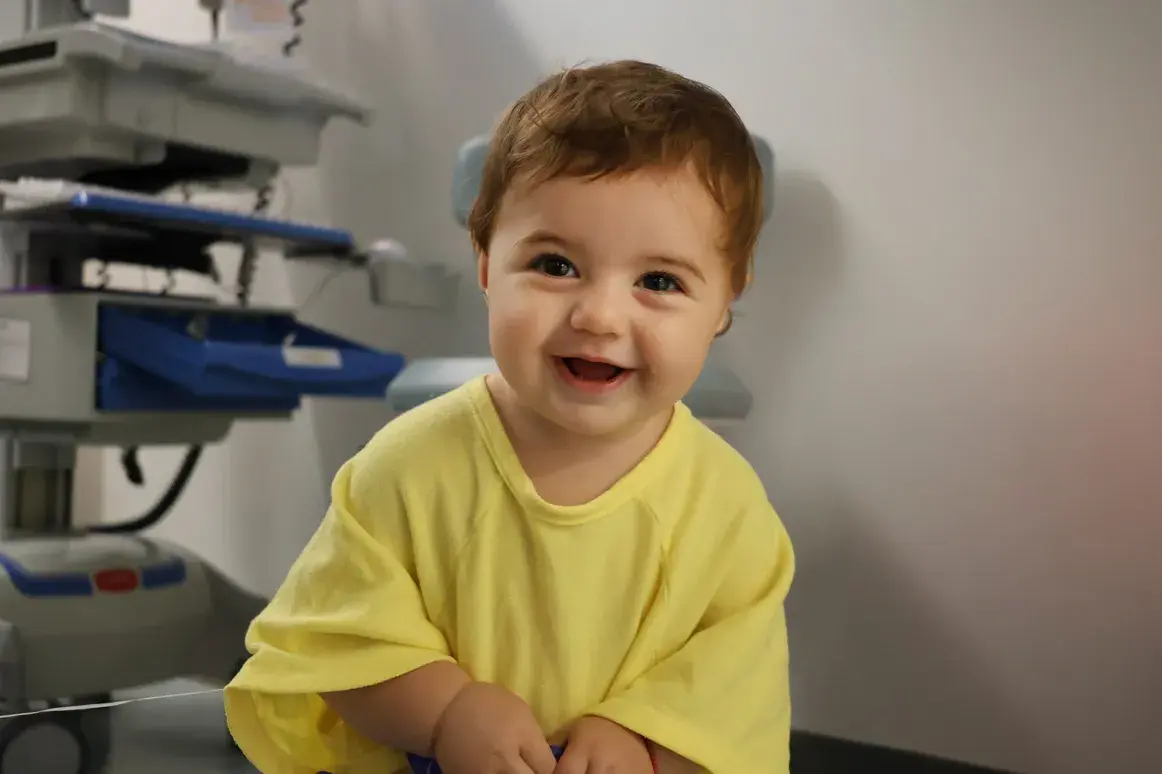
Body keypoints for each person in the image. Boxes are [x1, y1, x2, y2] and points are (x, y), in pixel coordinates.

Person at [224, 59, 794, 774]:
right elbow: (336, 646)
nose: (599, 315)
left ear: (723, 304)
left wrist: (648, 740)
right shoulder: (407, 467)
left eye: (659, 281)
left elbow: (733, 693)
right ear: (488, 263)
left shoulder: (728, 509)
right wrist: (444, 711)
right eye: (556, 265)